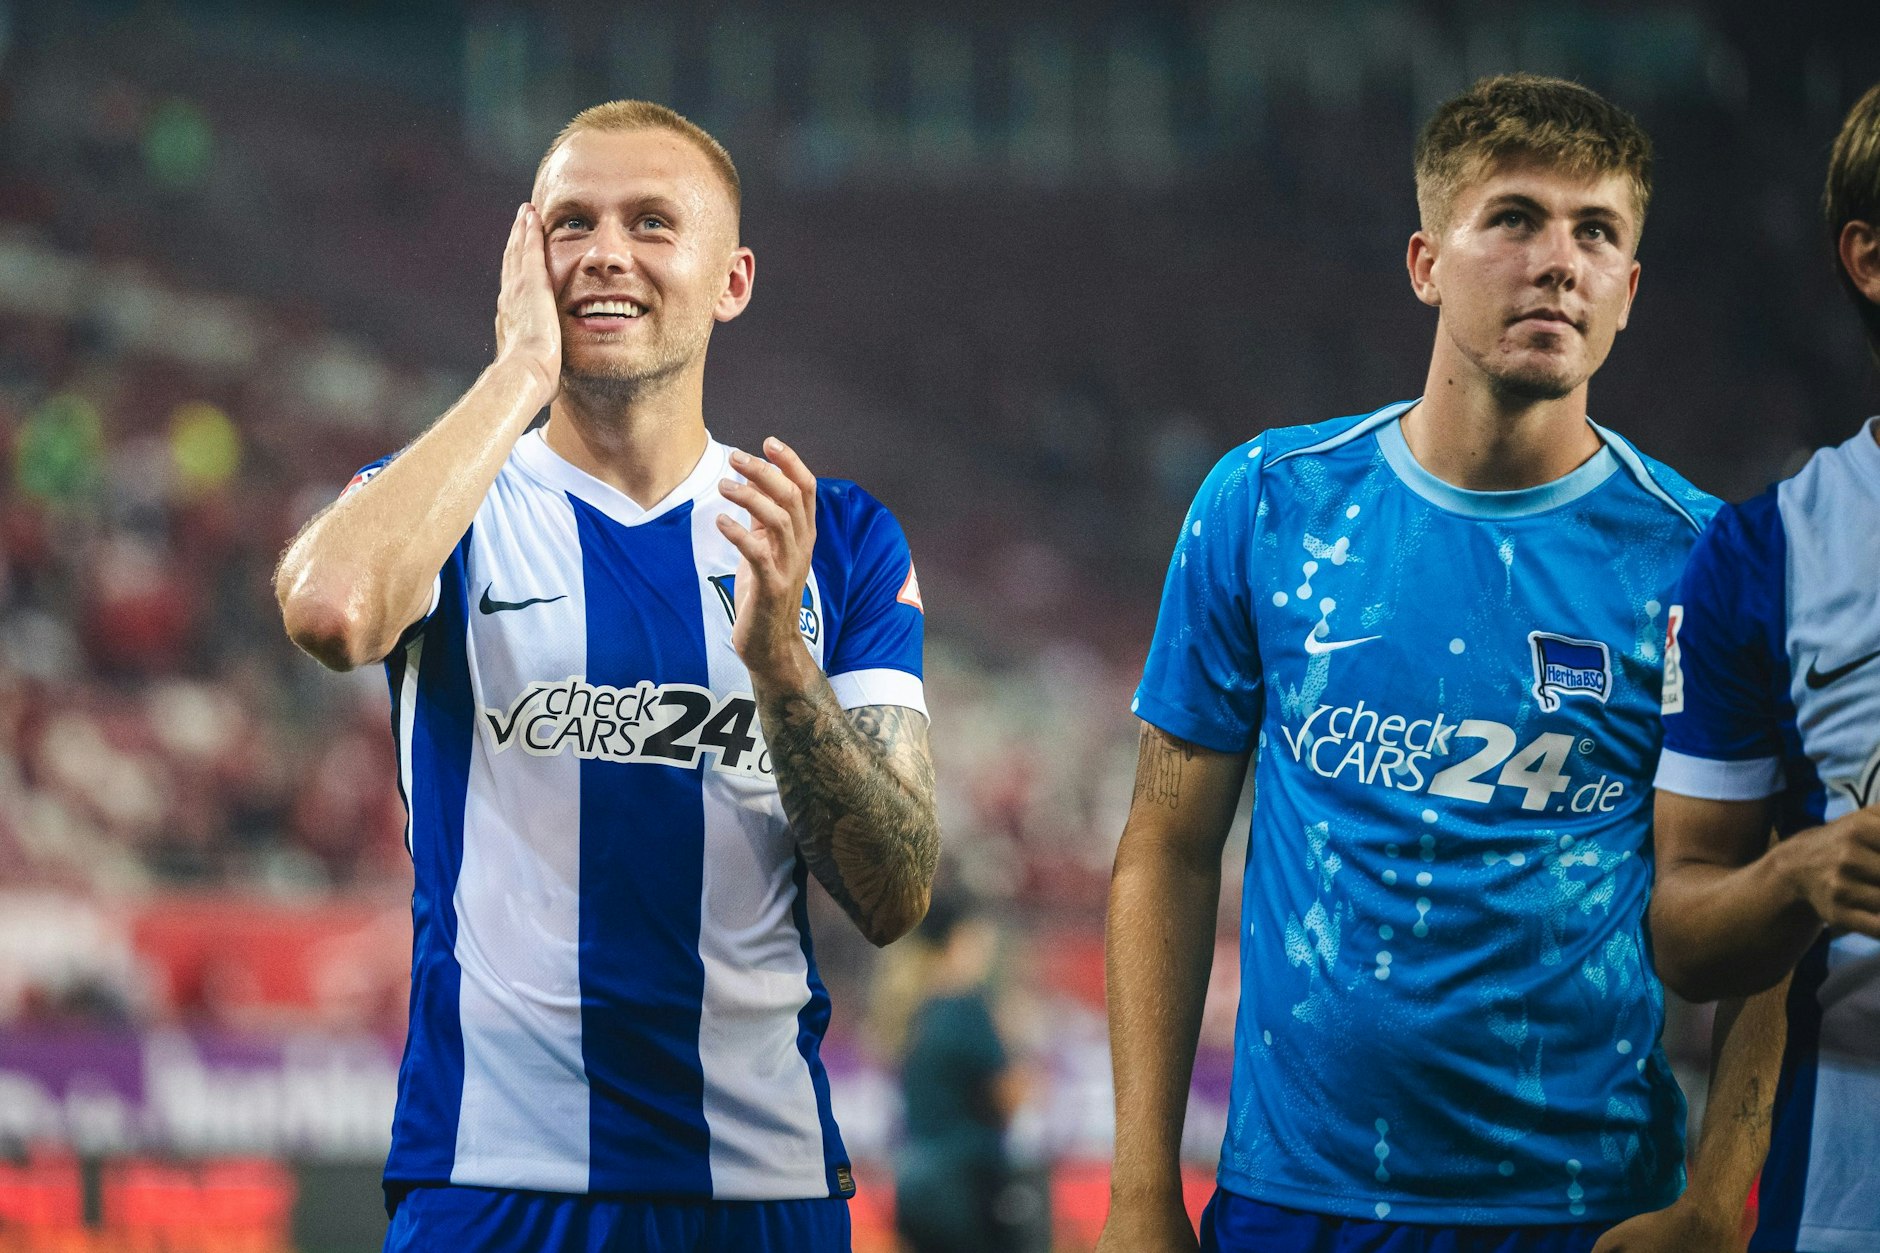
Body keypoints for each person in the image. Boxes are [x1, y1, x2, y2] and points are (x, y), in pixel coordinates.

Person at [274, 100, 939, 1253]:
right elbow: (333, 611)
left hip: (760, 1184)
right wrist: (517, 371)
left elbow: (893, 892)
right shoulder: (449, 501)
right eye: (570, 223)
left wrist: (781, 662)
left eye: (649, 222)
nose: (604, 253)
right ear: (526, 259)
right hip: (492, 1173)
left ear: (729, 280)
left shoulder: (833, 536)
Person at [1099, 75, 1719, 1253]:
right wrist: (1138, 1192)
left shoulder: (1699, 563)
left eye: (1597, 232)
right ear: (1424, 260)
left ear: (1628, 290)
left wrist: (1715, 1195)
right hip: (1294, 1199)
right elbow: (1165, 847)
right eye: (1514, 219)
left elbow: (1762, 906)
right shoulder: (1269, 503)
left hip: (1587, 1210)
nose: (1558, 261)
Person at [1625, 82, 1880, 1253]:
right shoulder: (1763, 551)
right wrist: (1798, 876)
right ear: (1867, 259)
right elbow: (1681, 926)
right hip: (1845, 1186)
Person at [890, 890, 1034, 1253]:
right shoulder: (967, 1008)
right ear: (959, 940)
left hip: (913, 1185)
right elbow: (1009, 1097)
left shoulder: (911, 1008)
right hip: (965, 1190)